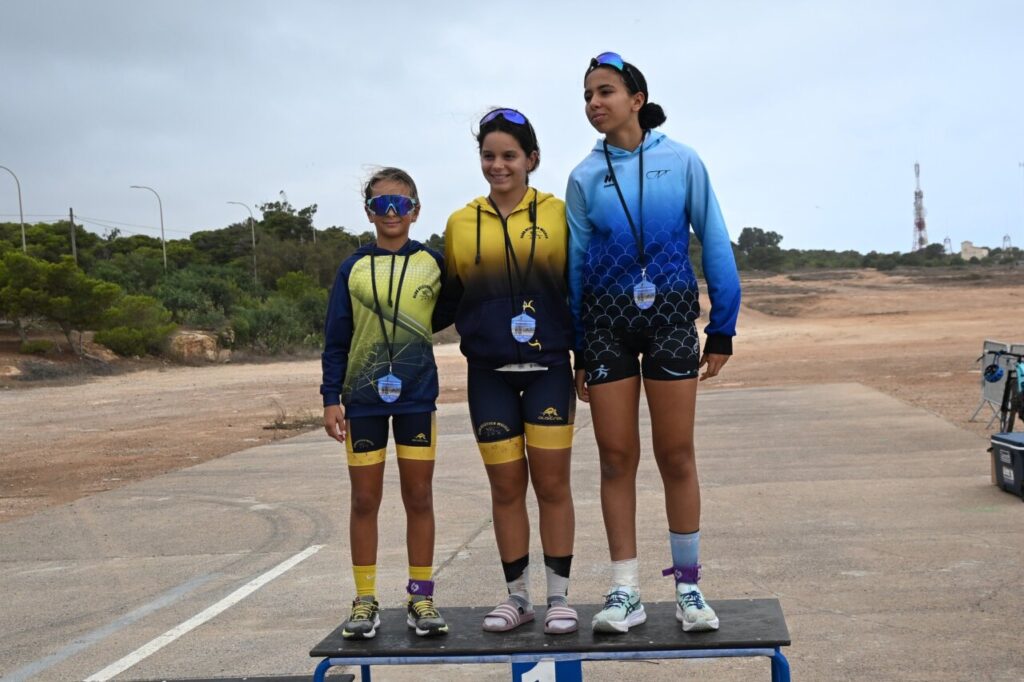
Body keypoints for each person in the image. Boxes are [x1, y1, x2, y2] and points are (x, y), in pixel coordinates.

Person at [566, 52, 741, 634]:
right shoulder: (584, 177)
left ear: (636, 100)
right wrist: (579, 347)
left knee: (676, 455)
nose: (594, 103)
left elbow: (714, 239)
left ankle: (688, 589)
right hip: (606, 322)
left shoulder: (682, 161)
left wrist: (722, 326)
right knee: (616, 458)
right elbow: (574, 265)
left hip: (669, 315)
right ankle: (625, 592)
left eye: (605, 91)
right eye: (588, 94)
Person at [441, 108, 578, 634]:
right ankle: (517, 598)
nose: (498, 166)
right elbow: (447, 300)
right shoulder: (460, 223)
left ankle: (560, 599)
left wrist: (586, 359)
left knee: (551, 485)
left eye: (509, 156)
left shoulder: (560, 214)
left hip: (548, 367)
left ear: (531, 160)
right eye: (489, 156)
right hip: (488, 374)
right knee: (505, 489)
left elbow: (576, 290)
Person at [321, 167, 453, 640]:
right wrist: (329, 397)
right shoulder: (352, 267)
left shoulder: (434, 263)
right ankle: (364, 600)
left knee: (418, 496)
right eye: (381, 205)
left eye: (400, 204)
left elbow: (453, 311)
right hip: (362, 399)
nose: (391, 213)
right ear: (368, 212)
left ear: (416, 210)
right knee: (364, 499)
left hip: (417, 395)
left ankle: (421, 595)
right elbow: (337, 337)